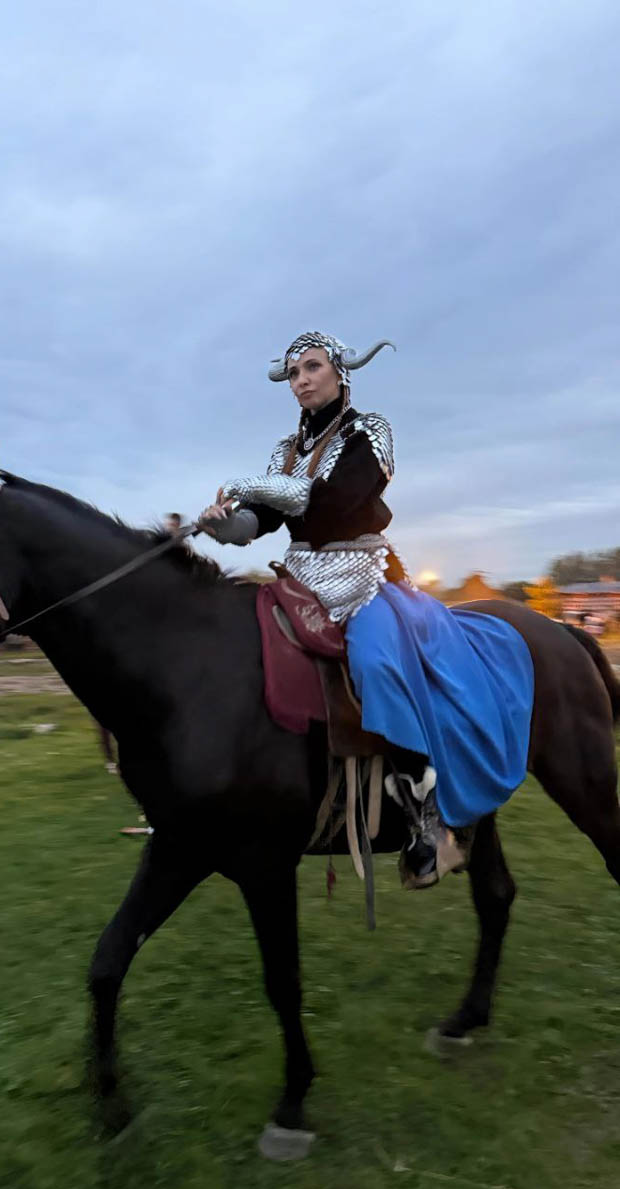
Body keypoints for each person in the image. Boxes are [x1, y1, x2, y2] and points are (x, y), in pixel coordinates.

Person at [198, 332, 534, 888]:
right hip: (299, 576)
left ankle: (431, 822)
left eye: (312, 367)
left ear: (339, 372)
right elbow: (260, 520)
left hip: (362, 576)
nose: (302, 380)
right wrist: (222, 526)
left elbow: (330, 499)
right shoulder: (286, 450)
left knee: (376, 664)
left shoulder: (371, 432)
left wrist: (247, 483)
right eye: (294, 373)